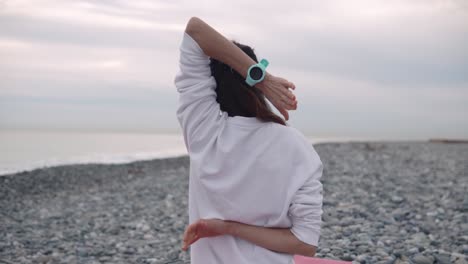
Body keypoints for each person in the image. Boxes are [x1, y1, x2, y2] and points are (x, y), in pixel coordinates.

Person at [174, 17, 324, 264]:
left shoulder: (203, 130)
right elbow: (305, 244)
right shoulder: (295, 145)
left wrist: (263, 79)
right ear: (253, 86)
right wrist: (228, 228)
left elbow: (195, 31)